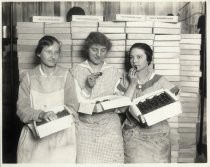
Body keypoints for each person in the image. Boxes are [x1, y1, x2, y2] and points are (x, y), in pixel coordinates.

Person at [16, 35, 79, 163]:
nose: (53, 56)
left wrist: (58, 117)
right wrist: (42, 114)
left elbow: (72, 106)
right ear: (39, 53)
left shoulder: (66, 75)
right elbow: (22, 108)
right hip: (35, 136)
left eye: (56, 52)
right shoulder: (28, 77)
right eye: (48, 52)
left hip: (62, 137)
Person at [119, 43, 179, 163]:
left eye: (139, 57)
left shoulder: (160, 80)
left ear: (148, 60)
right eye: (131, 57)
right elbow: (121, 109)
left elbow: (174, 103)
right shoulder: (125, 80)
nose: (134, 61)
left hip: (158, 136)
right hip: (133, 136)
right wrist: (132, 84)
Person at [71, 32, 124, 163]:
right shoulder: (75, 71)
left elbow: (121, 102)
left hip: (110, 128)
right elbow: (74, 104)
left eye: (103, 50)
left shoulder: (114, 72)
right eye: (94, 49)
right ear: (87, 49)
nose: (98, 54)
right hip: (85, 127)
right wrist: (88, 88)